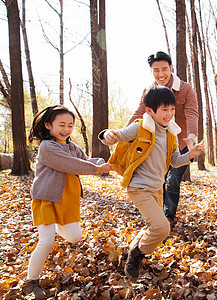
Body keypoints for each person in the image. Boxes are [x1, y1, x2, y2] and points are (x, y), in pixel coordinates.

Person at [100, 85, 204, 281]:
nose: (169, 114)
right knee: (162, 227)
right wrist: (107, 134)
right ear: (150, 111)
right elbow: (116, 136)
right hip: (139, 187)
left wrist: (190, 155)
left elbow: (175, 160)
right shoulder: (141, 127)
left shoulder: (171, 133)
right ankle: (135, 257)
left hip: (157, 188)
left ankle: (134, 249)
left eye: (172, 109)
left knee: (153, 225)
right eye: (164, 110)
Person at [23, 105, 111, 299]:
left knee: (74, 236)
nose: (66, 129)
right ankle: (31, 282)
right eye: (61, 124)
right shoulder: (47, 147)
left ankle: (55, 228)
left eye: (70, 125)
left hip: (66, 200)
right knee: (46, 241)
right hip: (46, 199)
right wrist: (98, 169)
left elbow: (87, 160)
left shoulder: (72, 147)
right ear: (48, 125)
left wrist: (109, 163)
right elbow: (71, 164)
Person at [127, 51, 199, 227]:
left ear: (171, 68)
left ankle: (168, 216)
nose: (161, 74)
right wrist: (123, 132)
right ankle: (158, 215)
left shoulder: (185, 89)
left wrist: (191, 136)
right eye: (156, 70)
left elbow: (191, 113)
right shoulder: (149, 91)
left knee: (173, 178)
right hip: (159, 143)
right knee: (161, 178)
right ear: (151, 71)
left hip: (182, 142)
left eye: (164, 69)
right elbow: (139, 112)